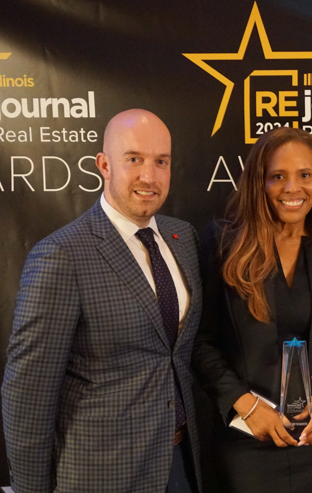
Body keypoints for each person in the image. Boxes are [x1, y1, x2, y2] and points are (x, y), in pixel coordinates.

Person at [2, 109, 202, 493]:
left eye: (161, 162)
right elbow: (28, 395)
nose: (149, 176)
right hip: (101, 475)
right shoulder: (62, 255)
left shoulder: (183, 238)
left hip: (180, 463)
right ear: (104, 165)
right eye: (134, 159)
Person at [192, 127, 312, 493]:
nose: (292, 188)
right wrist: (245, 405)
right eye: (278, 176)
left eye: (305, 175)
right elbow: (201, 343)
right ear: (259, 183)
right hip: (247, 441)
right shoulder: (224, 244)